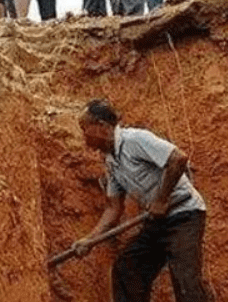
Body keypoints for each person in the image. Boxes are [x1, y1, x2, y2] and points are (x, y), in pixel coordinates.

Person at [73, 98, 211, 302]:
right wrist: (90, 239)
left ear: (102, 127)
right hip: (157, 222)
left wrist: (161, 199)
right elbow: (113, 207)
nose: (84, 136)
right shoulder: (111, 161)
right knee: (127, 269)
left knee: (185, 282)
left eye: (85, 129)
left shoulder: (135, 140)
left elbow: (178, 159)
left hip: (184, 214)